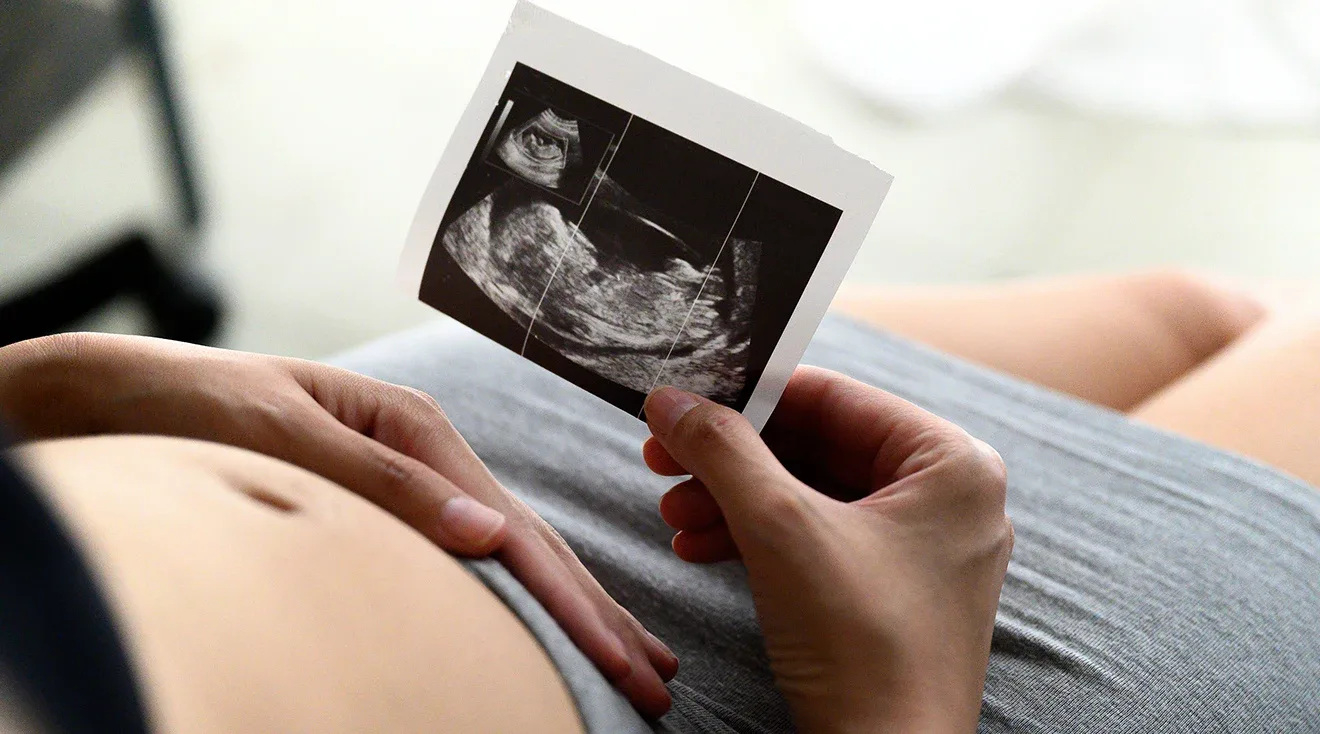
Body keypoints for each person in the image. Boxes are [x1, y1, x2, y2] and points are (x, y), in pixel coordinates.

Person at [0, 270, 1317, 732]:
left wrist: (57, 384)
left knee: (1207, 314)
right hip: (769, 697)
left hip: (450, 438)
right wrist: (893, 706)